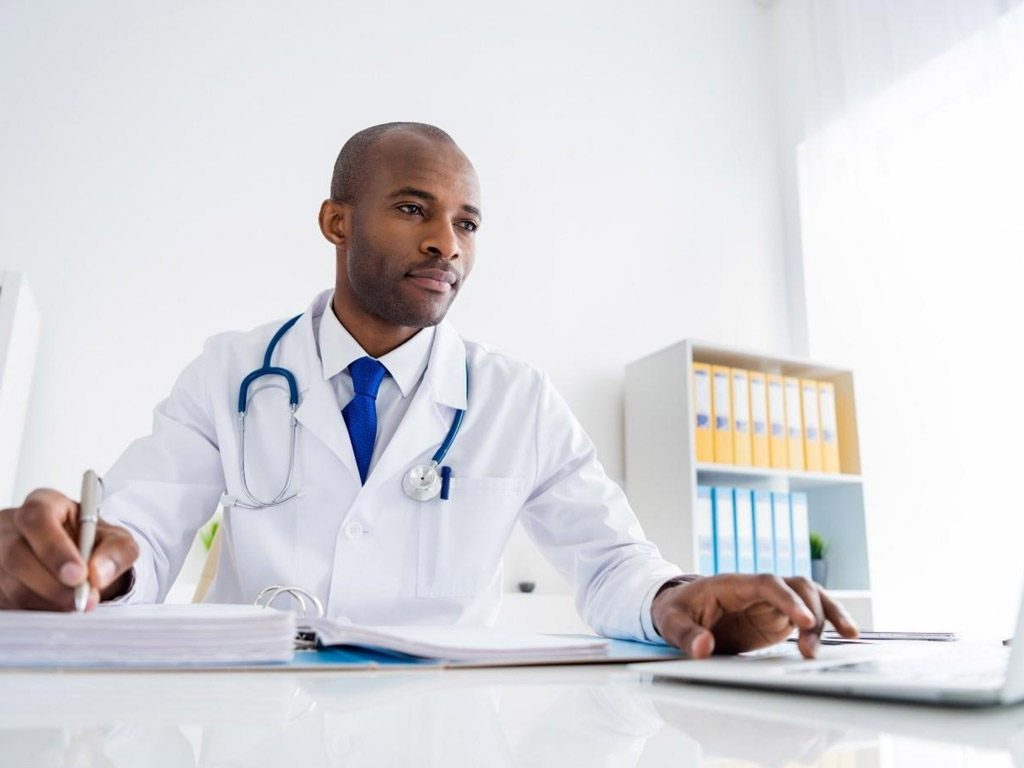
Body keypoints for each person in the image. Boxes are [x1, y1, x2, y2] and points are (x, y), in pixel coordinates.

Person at [0, 122, 858, 658]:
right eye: (413, 209)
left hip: (443, 728)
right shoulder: (229, 371)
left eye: (467, 222)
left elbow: (611, 563)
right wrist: (89, 568)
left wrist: (676, 599)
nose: (447, 242)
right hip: (254, 720)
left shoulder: (516, 399)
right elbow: (143, 528)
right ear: (337, 220)